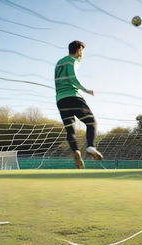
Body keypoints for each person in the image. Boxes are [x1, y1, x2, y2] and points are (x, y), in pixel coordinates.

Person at [54, 40, 103, 168]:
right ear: (79, 50)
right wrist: (86, 90)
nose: (83, 54)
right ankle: (91, 147)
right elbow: (73, 78)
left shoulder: (59, 63)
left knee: (71, 130)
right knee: (91, 122)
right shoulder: (72, 61)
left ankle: (76, 150)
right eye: (83, 51)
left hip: (60, 100)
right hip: (73, 97)